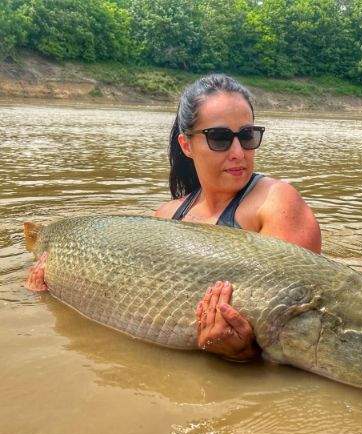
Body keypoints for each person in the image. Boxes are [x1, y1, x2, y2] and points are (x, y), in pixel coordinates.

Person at [25, 74, 322, 362]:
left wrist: (243, 355)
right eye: (219, 138)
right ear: (186, 145)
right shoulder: (166, 215)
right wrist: (47, 293)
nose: (238, 152)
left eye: (246, 136)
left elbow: (301, 334)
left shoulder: (277, 202)